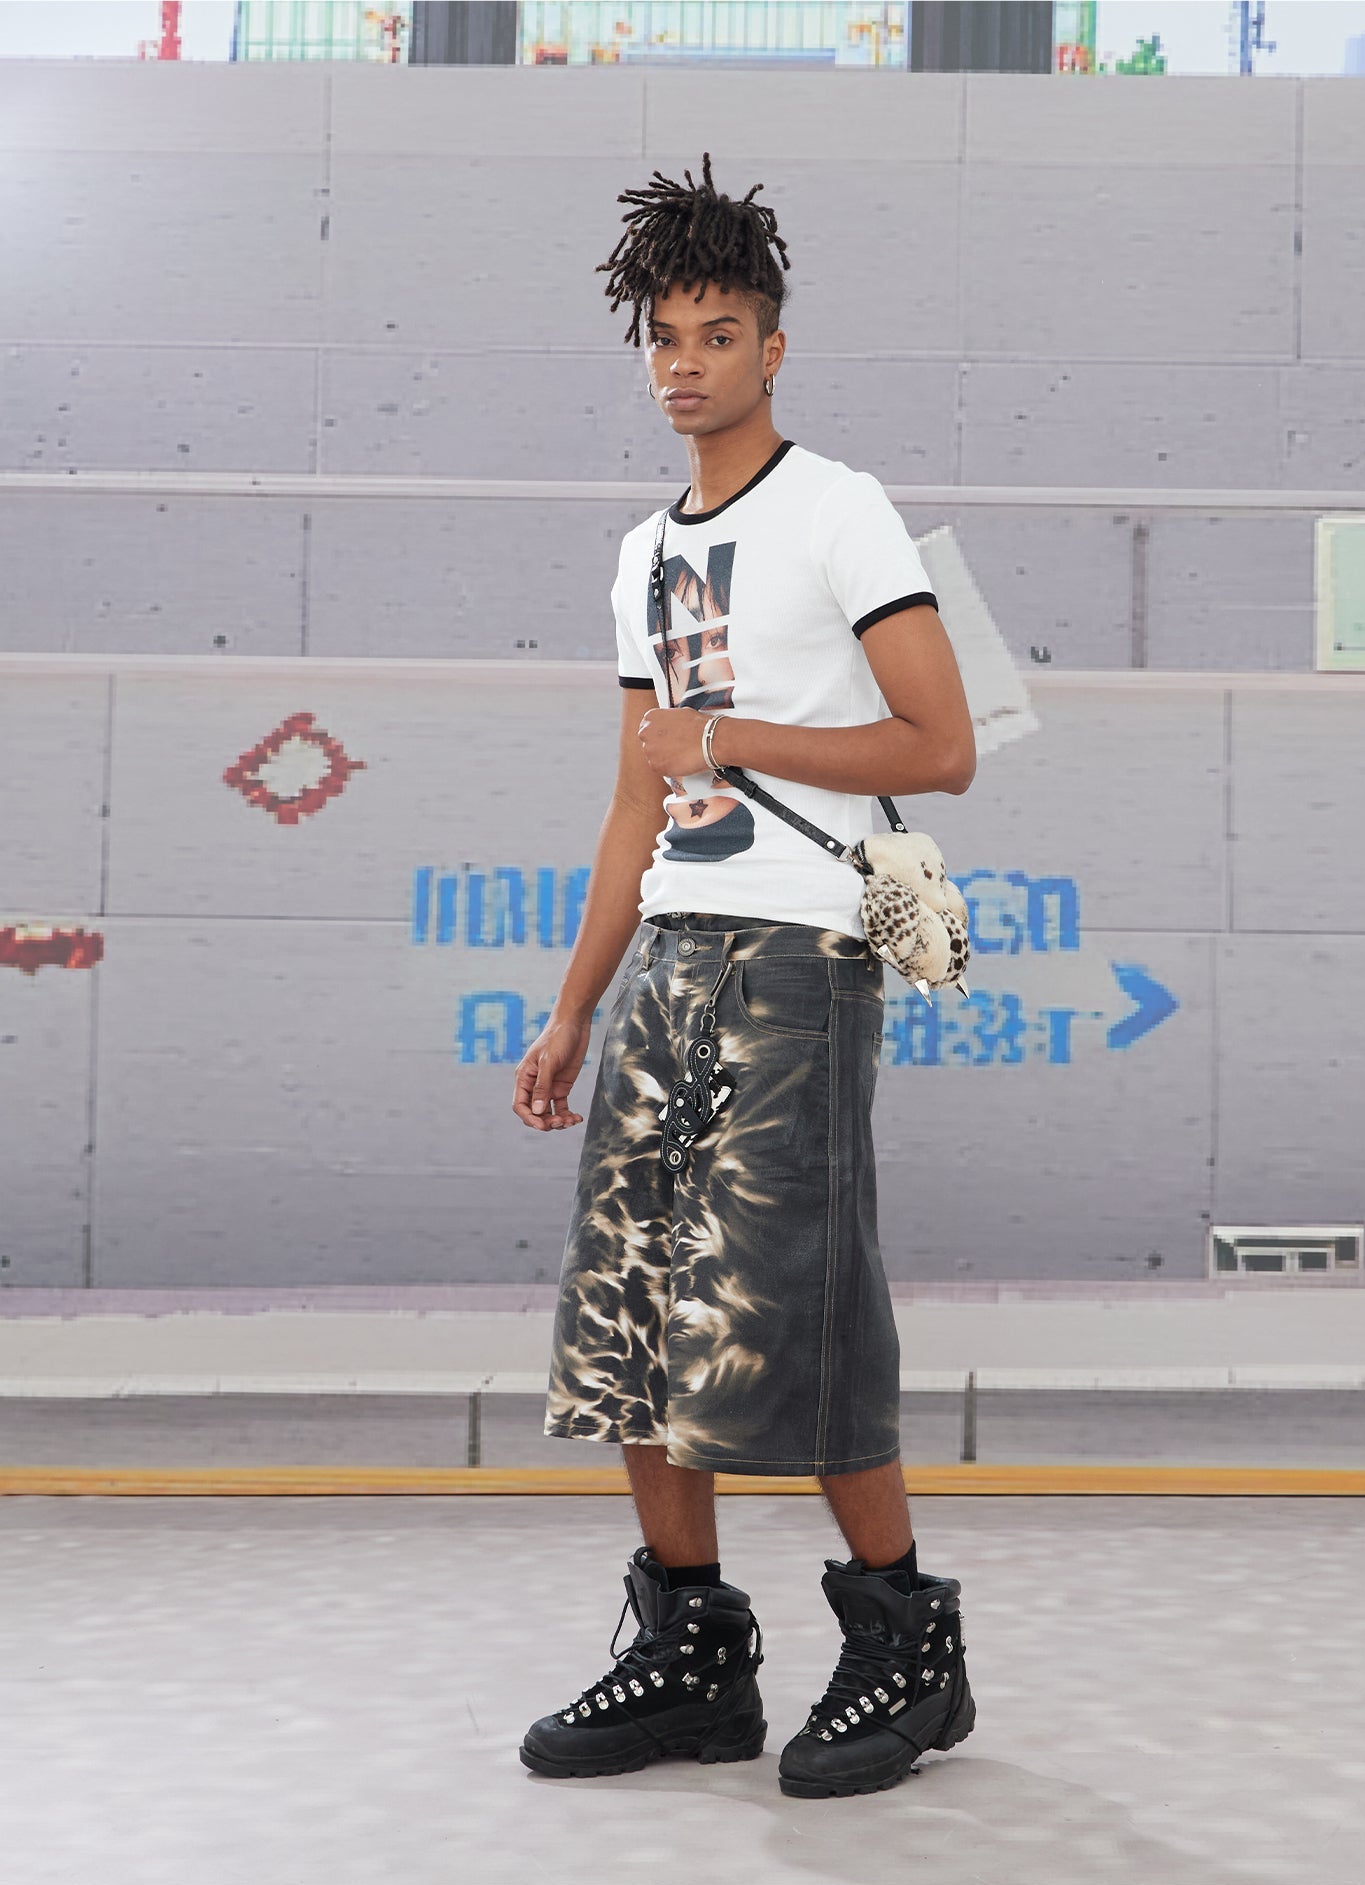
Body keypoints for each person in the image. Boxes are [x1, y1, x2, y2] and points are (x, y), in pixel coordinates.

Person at [512, 153, 978, 1799]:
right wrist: (576, 1002)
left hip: (804, 957)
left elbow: (941, 742)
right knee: (633, 1304)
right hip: (674, 956)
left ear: (773, 348)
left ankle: (907, 1642)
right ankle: (694, 1652)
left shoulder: (837, 507)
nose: (687, 361)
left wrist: (729, 734)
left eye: (719, 333)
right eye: (665, 335)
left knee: (799, 1300)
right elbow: (631, 799)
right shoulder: (642, 551)